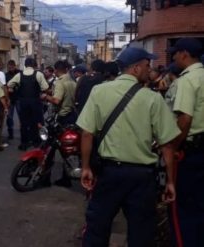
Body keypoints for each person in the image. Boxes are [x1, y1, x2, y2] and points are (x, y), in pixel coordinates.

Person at [78, 47, 180, 247]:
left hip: (109, 174)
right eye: (146, 66)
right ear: (135, 69)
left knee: (97, 228)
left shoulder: (99, 92)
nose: (149, 70)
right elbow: (167, 145)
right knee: (141, 234)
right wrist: (169, 181)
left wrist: (86, 167)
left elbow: (87, 133)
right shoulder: (153, 99)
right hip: (142, 178)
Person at [167, 37, 204, 247]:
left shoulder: (187, 80)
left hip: (191, 152)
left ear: (184, 54)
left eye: (175, 53)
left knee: (183, 209)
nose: (173, 57)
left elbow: (185, 119)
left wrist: (175, 147)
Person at [8, 57, 49, 151]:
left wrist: (16, 88)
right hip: (35, 101)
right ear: (34, 65)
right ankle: (36, 141)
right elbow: (45, 88)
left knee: (24, 123)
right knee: (37, 121)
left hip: (23, 102)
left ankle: (24, 143)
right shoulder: (38, 74)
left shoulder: (19, 75)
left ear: (25, 65)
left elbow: (9, 85)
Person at [41, 60, 77, 126]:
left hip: (62, 115)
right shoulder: (72, 81)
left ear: (56, 70)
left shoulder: (60, 82)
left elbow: (56, 100)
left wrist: (45, 96)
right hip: (72, 114)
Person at [5, 60, 21, 140]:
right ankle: (10, 133)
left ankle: (23, 132)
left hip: (18, 98)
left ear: (15, 66)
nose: (10, 68)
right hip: (10, 99)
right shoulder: (6, 75)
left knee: (21, 116)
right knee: (9, 117)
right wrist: (8, 89)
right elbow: (4, 86)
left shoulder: (20, 73)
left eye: (12, 66)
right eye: (9, 67)